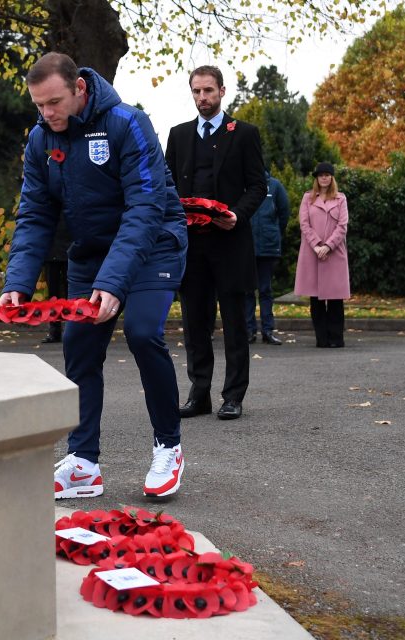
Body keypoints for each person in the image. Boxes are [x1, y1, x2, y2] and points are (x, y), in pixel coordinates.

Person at [0, 52, 188, 499]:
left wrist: (113, 285)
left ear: (79, 89)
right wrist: (17, 284)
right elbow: (35, 216)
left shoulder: (128, 123)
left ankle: (169, 446)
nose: (47, 114)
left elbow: (144, 207)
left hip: (154, 241)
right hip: (92, 254)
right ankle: (83, 461)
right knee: (78, 345)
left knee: (143, 333)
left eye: (55, 102)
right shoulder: (41, 141)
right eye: (39, 105)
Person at [165, 65, 267, 421]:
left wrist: (237, 214)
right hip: (191, 246)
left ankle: (233, 395)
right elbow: (169, 189)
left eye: (208, 91)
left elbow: (258, 186)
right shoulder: (177, 136)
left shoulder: (244, 134)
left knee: (237, 323)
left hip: (231, 242)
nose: (202, 98)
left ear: (222, 91)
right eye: (196, 91)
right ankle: (199, 394)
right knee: (195, 323)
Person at [294, 162, 350, 348]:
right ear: (317, 178)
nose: (324, 177)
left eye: (327, 175)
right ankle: (322, 339)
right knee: (316, 299)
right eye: (321, 175)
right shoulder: (307, 199)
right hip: (312, 253)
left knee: (335, 299)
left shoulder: (341, 199)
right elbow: (304, 225)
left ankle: (336, 338)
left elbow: (342, 226)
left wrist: (328, 245)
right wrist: (317, 245)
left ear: (332, 178)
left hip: (334, 254)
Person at [246, 171, 291, 345]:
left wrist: (274, 233)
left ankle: (267, 330)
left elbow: (284, 212)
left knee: (265, 290)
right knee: (248, 290)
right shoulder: (243, 184)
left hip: (268, 246)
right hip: (247, 246)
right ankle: (249, 330)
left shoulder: (275, 186)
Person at [40, 220, 71, 343]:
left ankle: (71, 329)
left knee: (70, 293)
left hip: (69, 250)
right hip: (51, 252)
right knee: (53, 294)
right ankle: (55, 330)